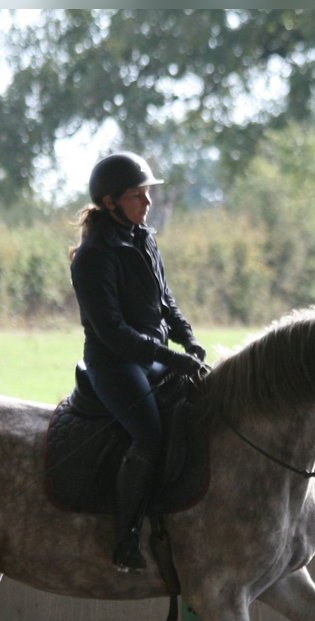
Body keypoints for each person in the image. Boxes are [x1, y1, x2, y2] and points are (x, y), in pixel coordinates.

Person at [69, 152, 206, 573]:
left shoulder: (144, 237)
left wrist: (189, 341)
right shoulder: (93, 255)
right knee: (148, 436)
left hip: (151, 357)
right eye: (137, 195)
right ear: (110, 202)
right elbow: (113, 333)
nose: (147, 202)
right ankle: (126, 537)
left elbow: (166, 302)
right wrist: (170, 357)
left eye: (146, 193)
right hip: (115, 365)